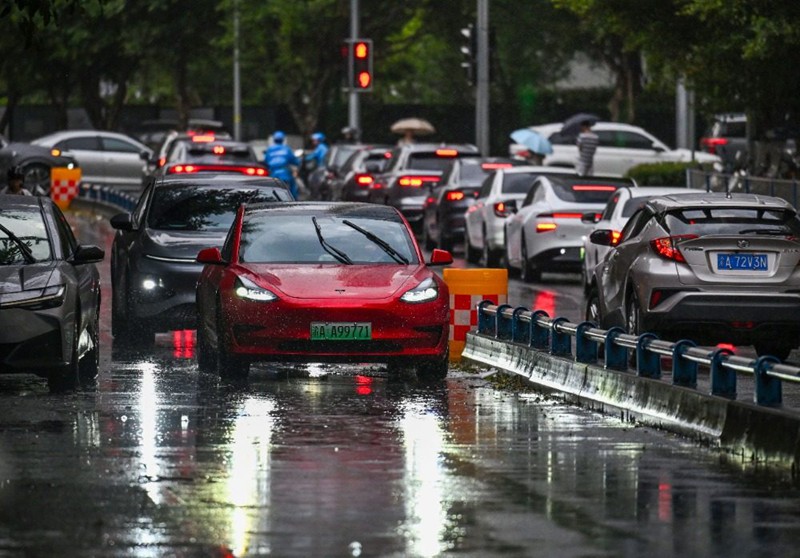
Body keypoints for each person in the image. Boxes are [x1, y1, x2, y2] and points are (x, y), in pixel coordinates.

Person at [264, 131, 300, 199]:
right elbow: (294, 160)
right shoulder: (287, 149)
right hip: (285, 174)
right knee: (293, 187)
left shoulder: (270, 149)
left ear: (274, 139)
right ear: (283, 139)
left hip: (272, 174)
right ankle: (294, 201)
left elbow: (266, 161)